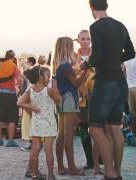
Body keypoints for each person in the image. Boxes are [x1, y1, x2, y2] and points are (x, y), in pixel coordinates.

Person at [81, 0, 135, 179]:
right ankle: (117, 172)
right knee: (115, 128)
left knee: (95, 128)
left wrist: (86, 63)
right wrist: (115, 59)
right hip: (121, 82)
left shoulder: (95, 27)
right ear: (107, 5)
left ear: (91, 8)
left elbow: (97, 56)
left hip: (105, 81)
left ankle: (110, 172)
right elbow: (131, 53)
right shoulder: (120, 25)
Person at [18, 65, 60, 180]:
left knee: (35, 149)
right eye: (47, 75)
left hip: (36, 123)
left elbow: (19, 103)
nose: (49, 77)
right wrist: (55, 87)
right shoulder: (49, 90)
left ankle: (34, 174)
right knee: (48, 150)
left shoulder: (30, 90)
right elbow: (58, 101)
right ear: (41, 77)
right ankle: (50, 175)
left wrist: (31, 106)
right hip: (49, 123)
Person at [53, 37, 87, 176]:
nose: (73, 49)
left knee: (61, 134)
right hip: (69, 99)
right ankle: (72, 167)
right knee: (69, 135)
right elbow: (76, 84)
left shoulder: (58, 65)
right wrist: (85, 72)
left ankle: (61, 167)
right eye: (71, 47)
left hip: (61, 100)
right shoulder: (66, 66)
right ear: (66, 48)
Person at [0, 50, 21, 147]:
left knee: (0, 117)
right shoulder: (13, 66)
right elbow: (20, 79)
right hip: (10, 94)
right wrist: (20, 90)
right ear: (13, 57)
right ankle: (10, 141)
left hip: (1, 94)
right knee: (12, 117)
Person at [74, 30, 95, 170]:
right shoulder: (74, 56)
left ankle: (99, 158)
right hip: (80, 97)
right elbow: (72, 74)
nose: (86, 41)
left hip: (96, 94)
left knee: (98, 128)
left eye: (88, 38)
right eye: (83, 39)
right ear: (78, 40)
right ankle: (89, 160)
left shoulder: (96, 53)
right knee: (83, 128)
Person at [20, 57, 36, 151]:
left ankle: (32, 143)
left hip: (29, 102)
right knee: (28, 122)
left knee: (29, 122)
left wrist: (22, 63)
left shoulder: (32, 72)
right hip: (29, 101)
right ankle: (32, 142)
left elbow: (26, 68)